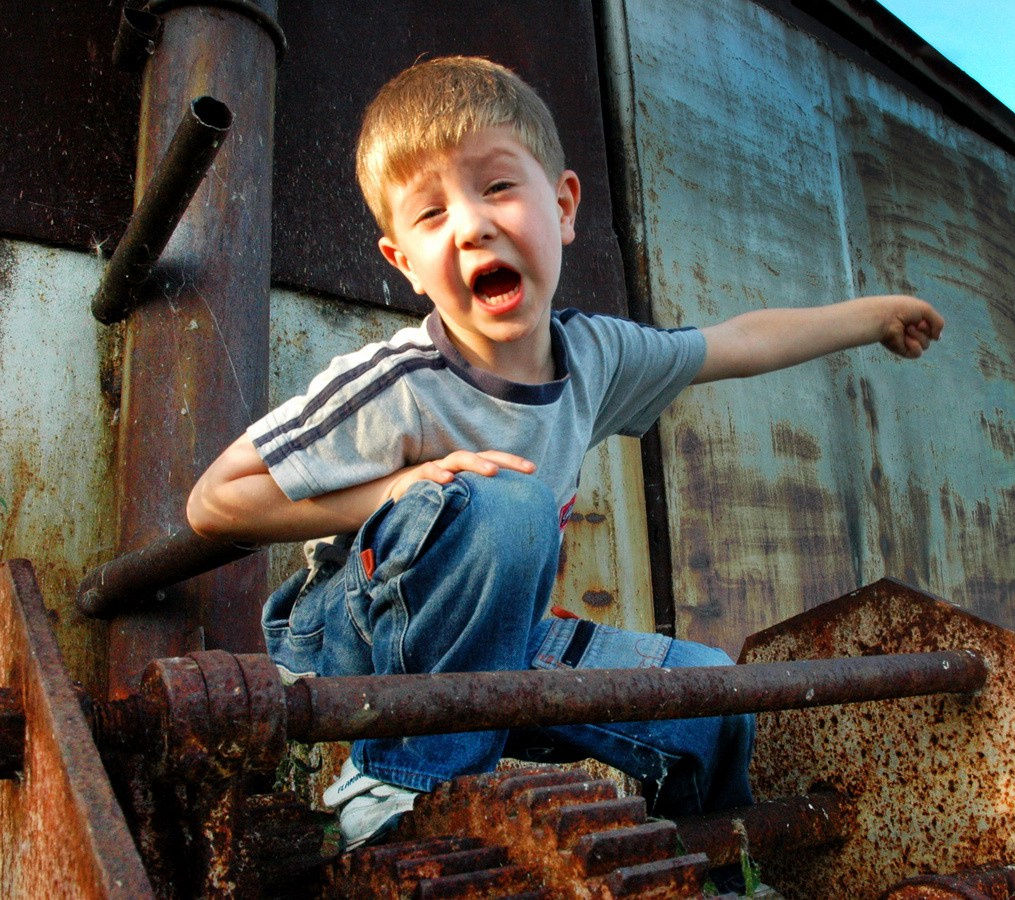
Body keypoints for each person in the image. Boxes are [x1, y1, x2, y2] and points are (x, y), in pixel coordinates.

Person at [186, 56, 943, 851]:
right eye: (432, 213)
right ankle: (398, 782)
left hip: (499, 641)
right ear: (403, 262)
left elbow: (735, 342)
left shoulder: (595, 356)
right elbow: (214, 500)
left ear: (565, 204)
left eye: (497, 187)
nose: (472, 224)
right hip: (354, 638)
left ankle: (712, 860)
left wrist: (874, 315)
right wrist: (399, 487)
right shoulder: (398, 385)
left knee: (711, 692)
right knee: (506, 506)